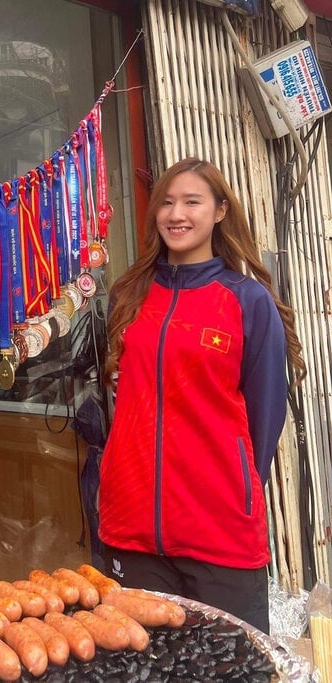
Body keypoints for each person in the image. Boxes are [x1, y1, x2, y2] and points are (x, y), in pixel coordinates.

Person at [97, 157, 306, 634]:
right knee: (141, 665)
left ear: (219, 211)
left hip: (220, 534)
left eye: (192, 201)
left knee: (229, 666)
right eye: (166, 203)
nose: (176, 214)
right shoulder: (129, 296)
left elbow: (265, 420)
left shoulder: (247, 301)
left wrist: (234, 488)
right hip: (130, 529)